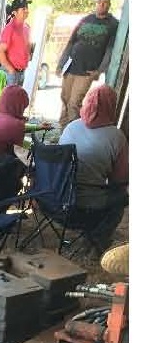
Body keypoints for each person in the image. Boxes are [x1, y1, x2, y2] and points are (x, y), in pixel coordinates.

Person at [58, 84, 128, 251]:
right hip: (85, 207)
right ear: (112, 106)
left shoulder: (71, 126)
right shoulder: (116, 137)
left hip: (57, 200)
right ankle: (97, 240)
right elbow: (118, 180)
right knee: (121, 197)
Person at [57, 0, 119, 128]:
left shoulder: (113, 24)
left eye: (105, 2)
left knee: (74, 103)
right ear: (96, 3)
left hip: (87, 71)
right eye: (99, 1)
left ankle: (74, 134)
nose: (102, 4)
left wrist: (99, 70)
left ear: (109, 4)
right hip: (71, 66)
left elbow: (110, 50)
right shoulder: (86, 19)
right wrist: (61, 64)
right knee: (65, 99)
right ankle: (63, 132)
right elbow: (71, 42)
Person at [0, 0, 32, 87]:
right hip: (11, 74)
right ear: (15, 13)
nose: (26, 10)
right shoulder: (10, 29)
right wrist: (11, 70)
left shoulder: (26, 28)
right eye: (23, 9)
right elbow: (0, 53)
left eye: (27, 8)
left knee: (17, 100)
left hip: (21, 73)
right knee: (10, 100)